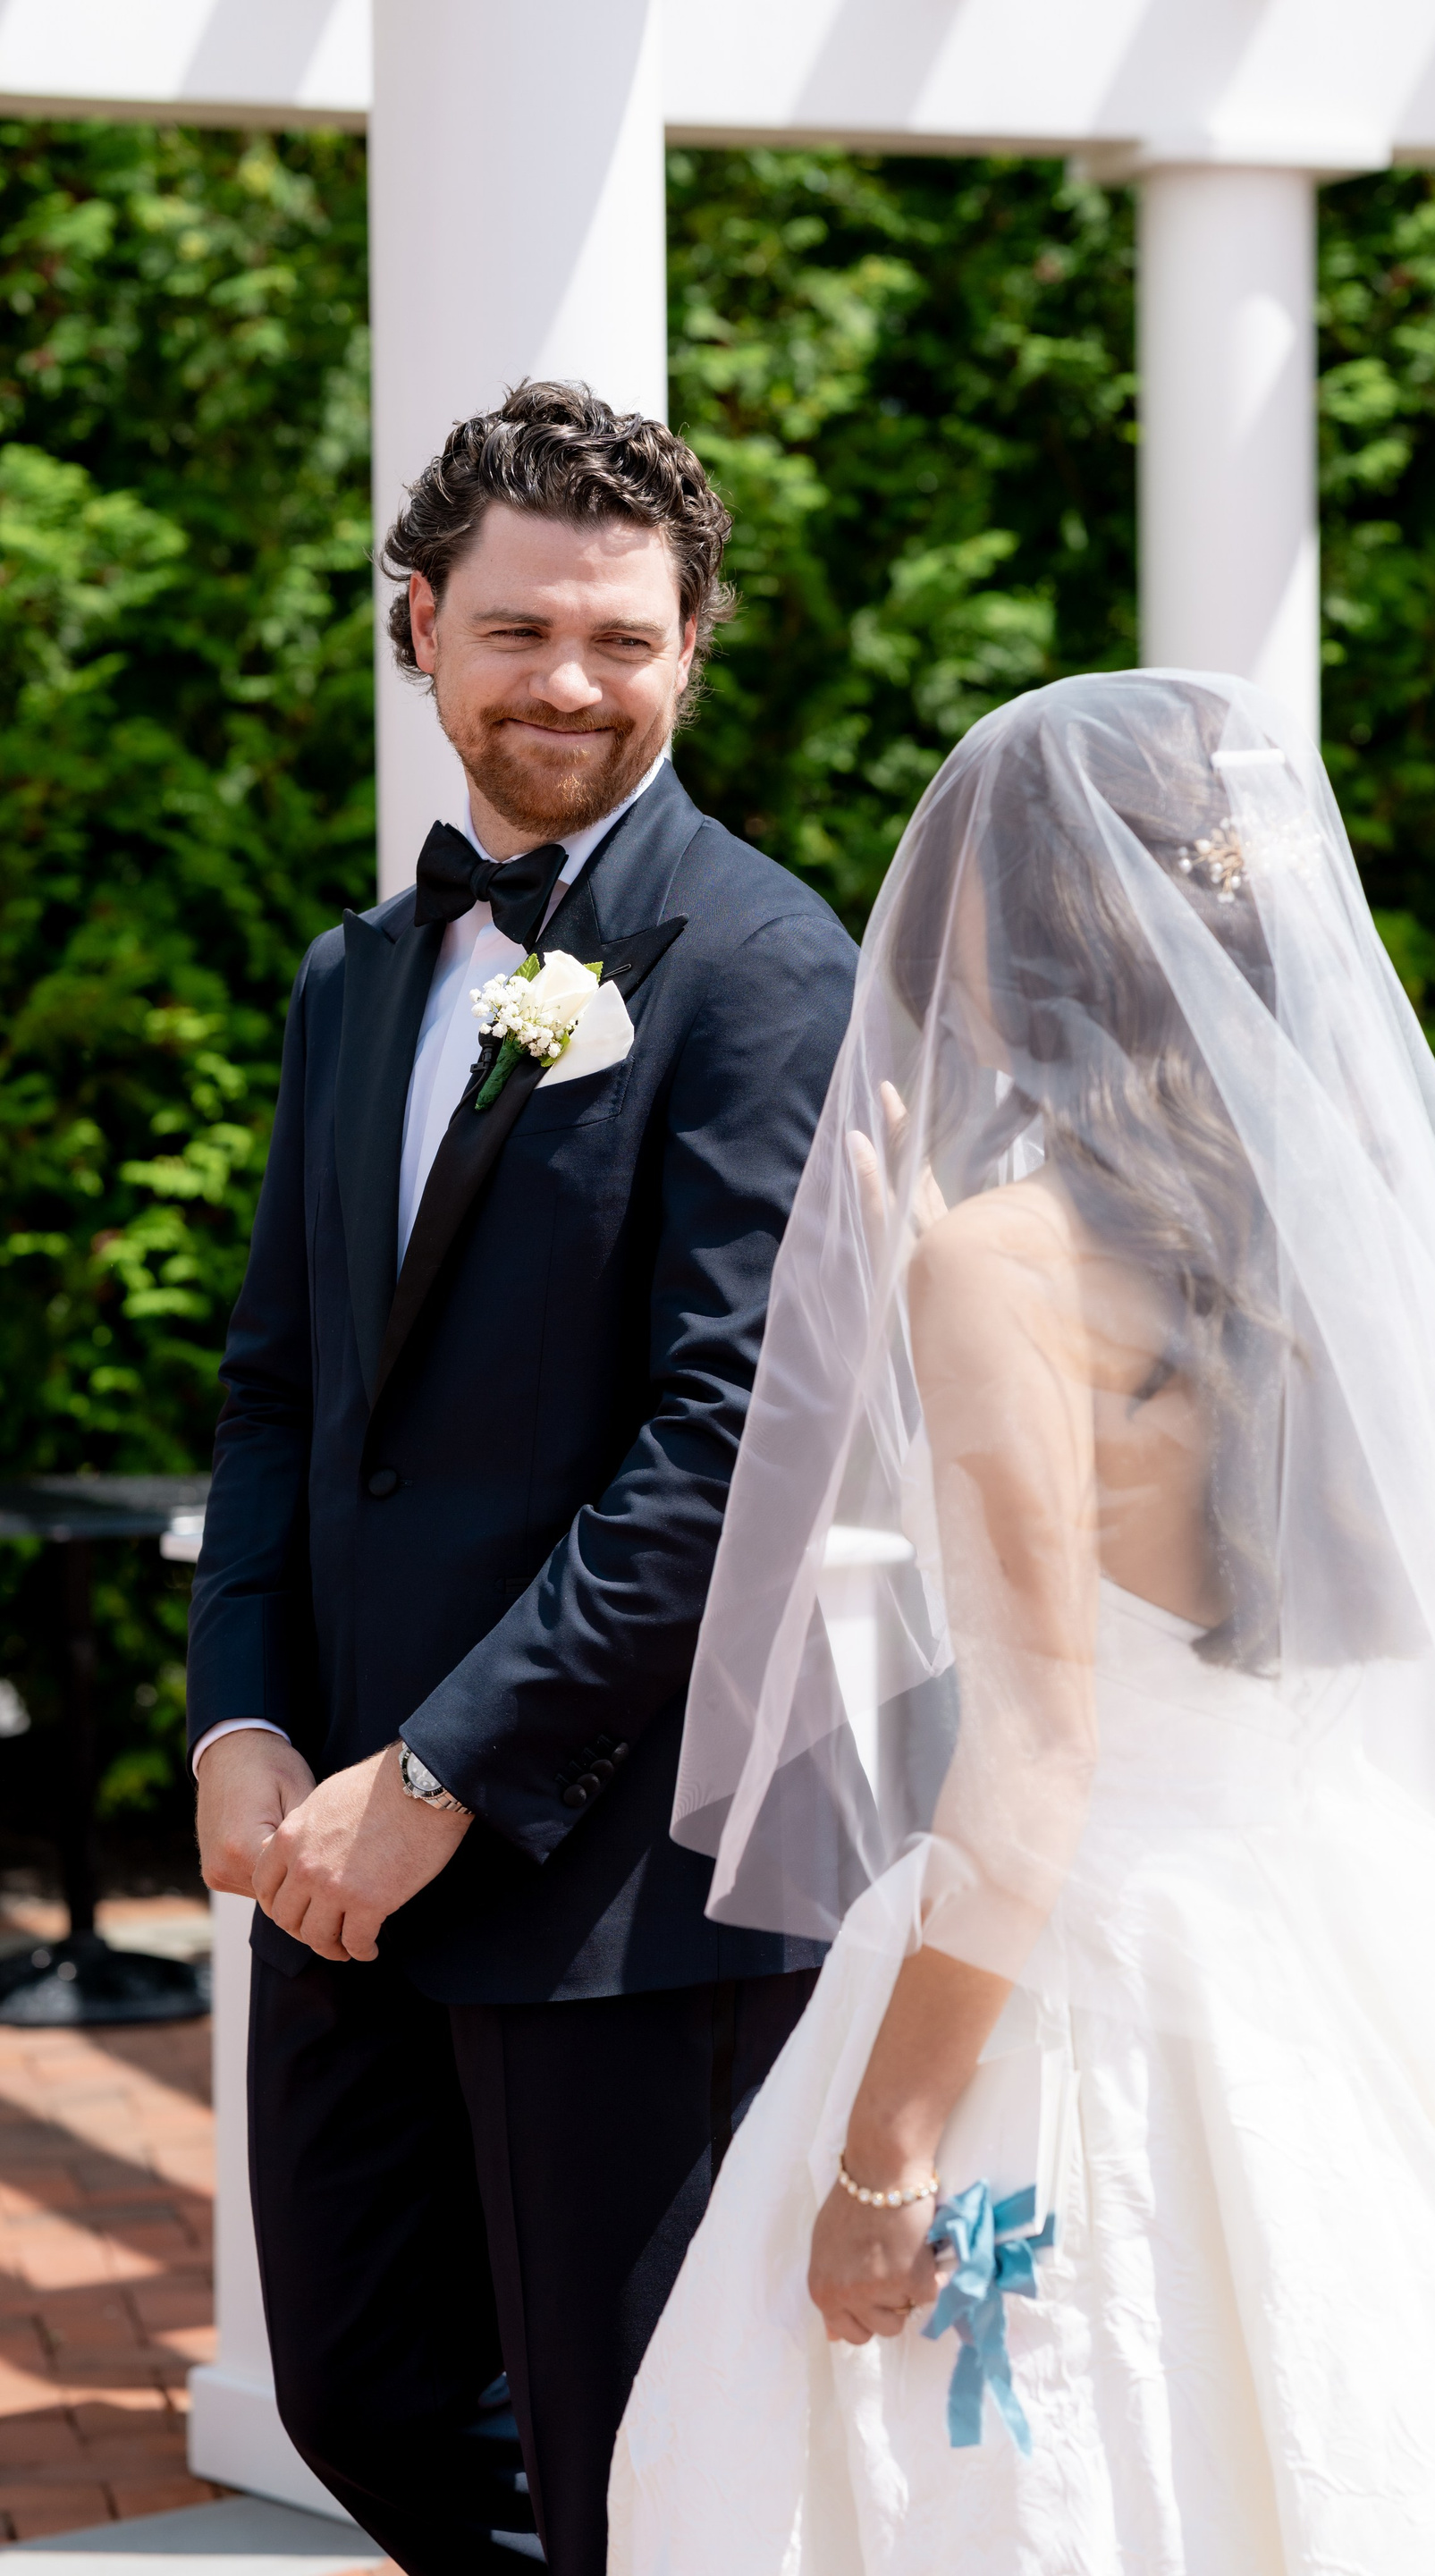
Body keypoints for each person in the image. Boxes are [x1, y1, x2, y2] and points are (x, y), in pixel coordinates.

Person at [610, 671, 1435, 2573]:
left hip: (1094, 1952)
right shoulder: (1314, 1224)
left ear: (1022, 932)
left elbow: (1038, 1758)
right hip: (1333, 1902)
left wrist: (886, 2155)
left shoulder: (1002, 1261)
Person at [185, 381, 856, 2575]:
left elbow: (734, 1436)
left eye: (624, 638)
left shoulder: (768, 966)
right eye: (520, 630)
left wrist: (450, 1768)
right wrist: (240, 1712)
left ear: (692, 650)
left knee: (630, 2463)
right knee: (363, 2395)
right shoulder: (353, 977)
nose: (572, 680)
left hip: (614, 1875)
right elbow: (281, 1388)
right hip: (342, 1856)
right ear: (420, 625)